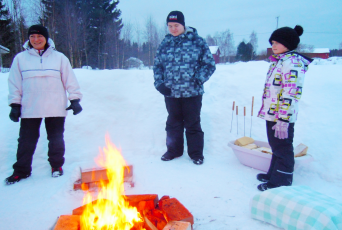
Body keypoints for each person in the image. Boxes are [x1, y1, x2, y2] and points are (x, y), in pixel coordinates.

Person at [5, 24, 83, 185]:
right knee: (26, 141)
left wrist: (74, 100)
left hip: (55, 106)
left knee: (56, 139)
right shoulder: (20, 59)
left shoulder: (59, 58)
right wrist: (15, 104)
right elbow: (14, 83)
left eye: (39, 36)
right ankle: (22, 171)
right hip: (30, 107)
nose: (36, 39)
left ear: (46, 38)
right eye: (32, 36)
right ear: (28, 39)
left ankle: (56, 166)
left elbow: (70, 80)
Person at [153, 11, 216, 165]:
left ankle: (196, 154)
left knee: (192, 123)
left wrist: (197, 80)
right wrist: (159, 84)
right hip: (171, 92)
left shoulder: (197, 41)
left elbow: (209, 65)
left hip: (192, 93)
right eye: (170, 26)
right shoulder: (165, 43)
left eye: (176, 25)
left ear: (183, 24)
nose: (173, 29)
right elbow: (157, 66)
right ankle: (174, 151)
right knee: (173, 123)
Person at [256, 25, 313, 191]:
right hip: (273, 114)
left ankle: (281, 181)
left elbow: (291, 92)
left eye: (277, 42)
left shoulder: (293, 63)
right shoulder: (280, 60)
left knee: (283, 148)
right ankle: (273, 174)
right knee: (276, 147)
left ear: (288, 43)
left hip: (282, 117)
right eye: (272, 42)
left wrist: (283, 118)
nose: (273, 46)